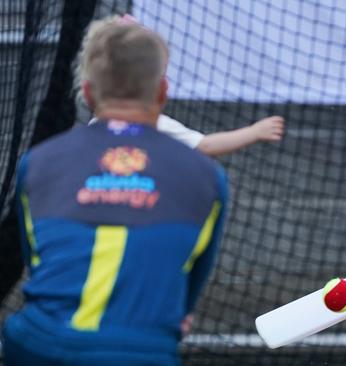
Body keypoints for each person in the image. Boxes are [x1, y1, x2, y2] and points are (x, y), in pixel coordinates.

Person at [2, 16, 228, 366]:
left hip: (37, 345)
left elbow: (39, 262)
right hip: (140, 353)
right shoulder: (208, 177)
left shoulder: (38, 163)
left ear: (89, 92)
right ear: (162, 92)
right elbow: (187, 294)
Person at [81, 14, 285, 158]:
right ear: (160, 90)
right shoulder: (157, 125)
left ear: (89, 91)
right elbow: (206, 146)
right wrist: (253, 132)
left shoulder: (92, 130)